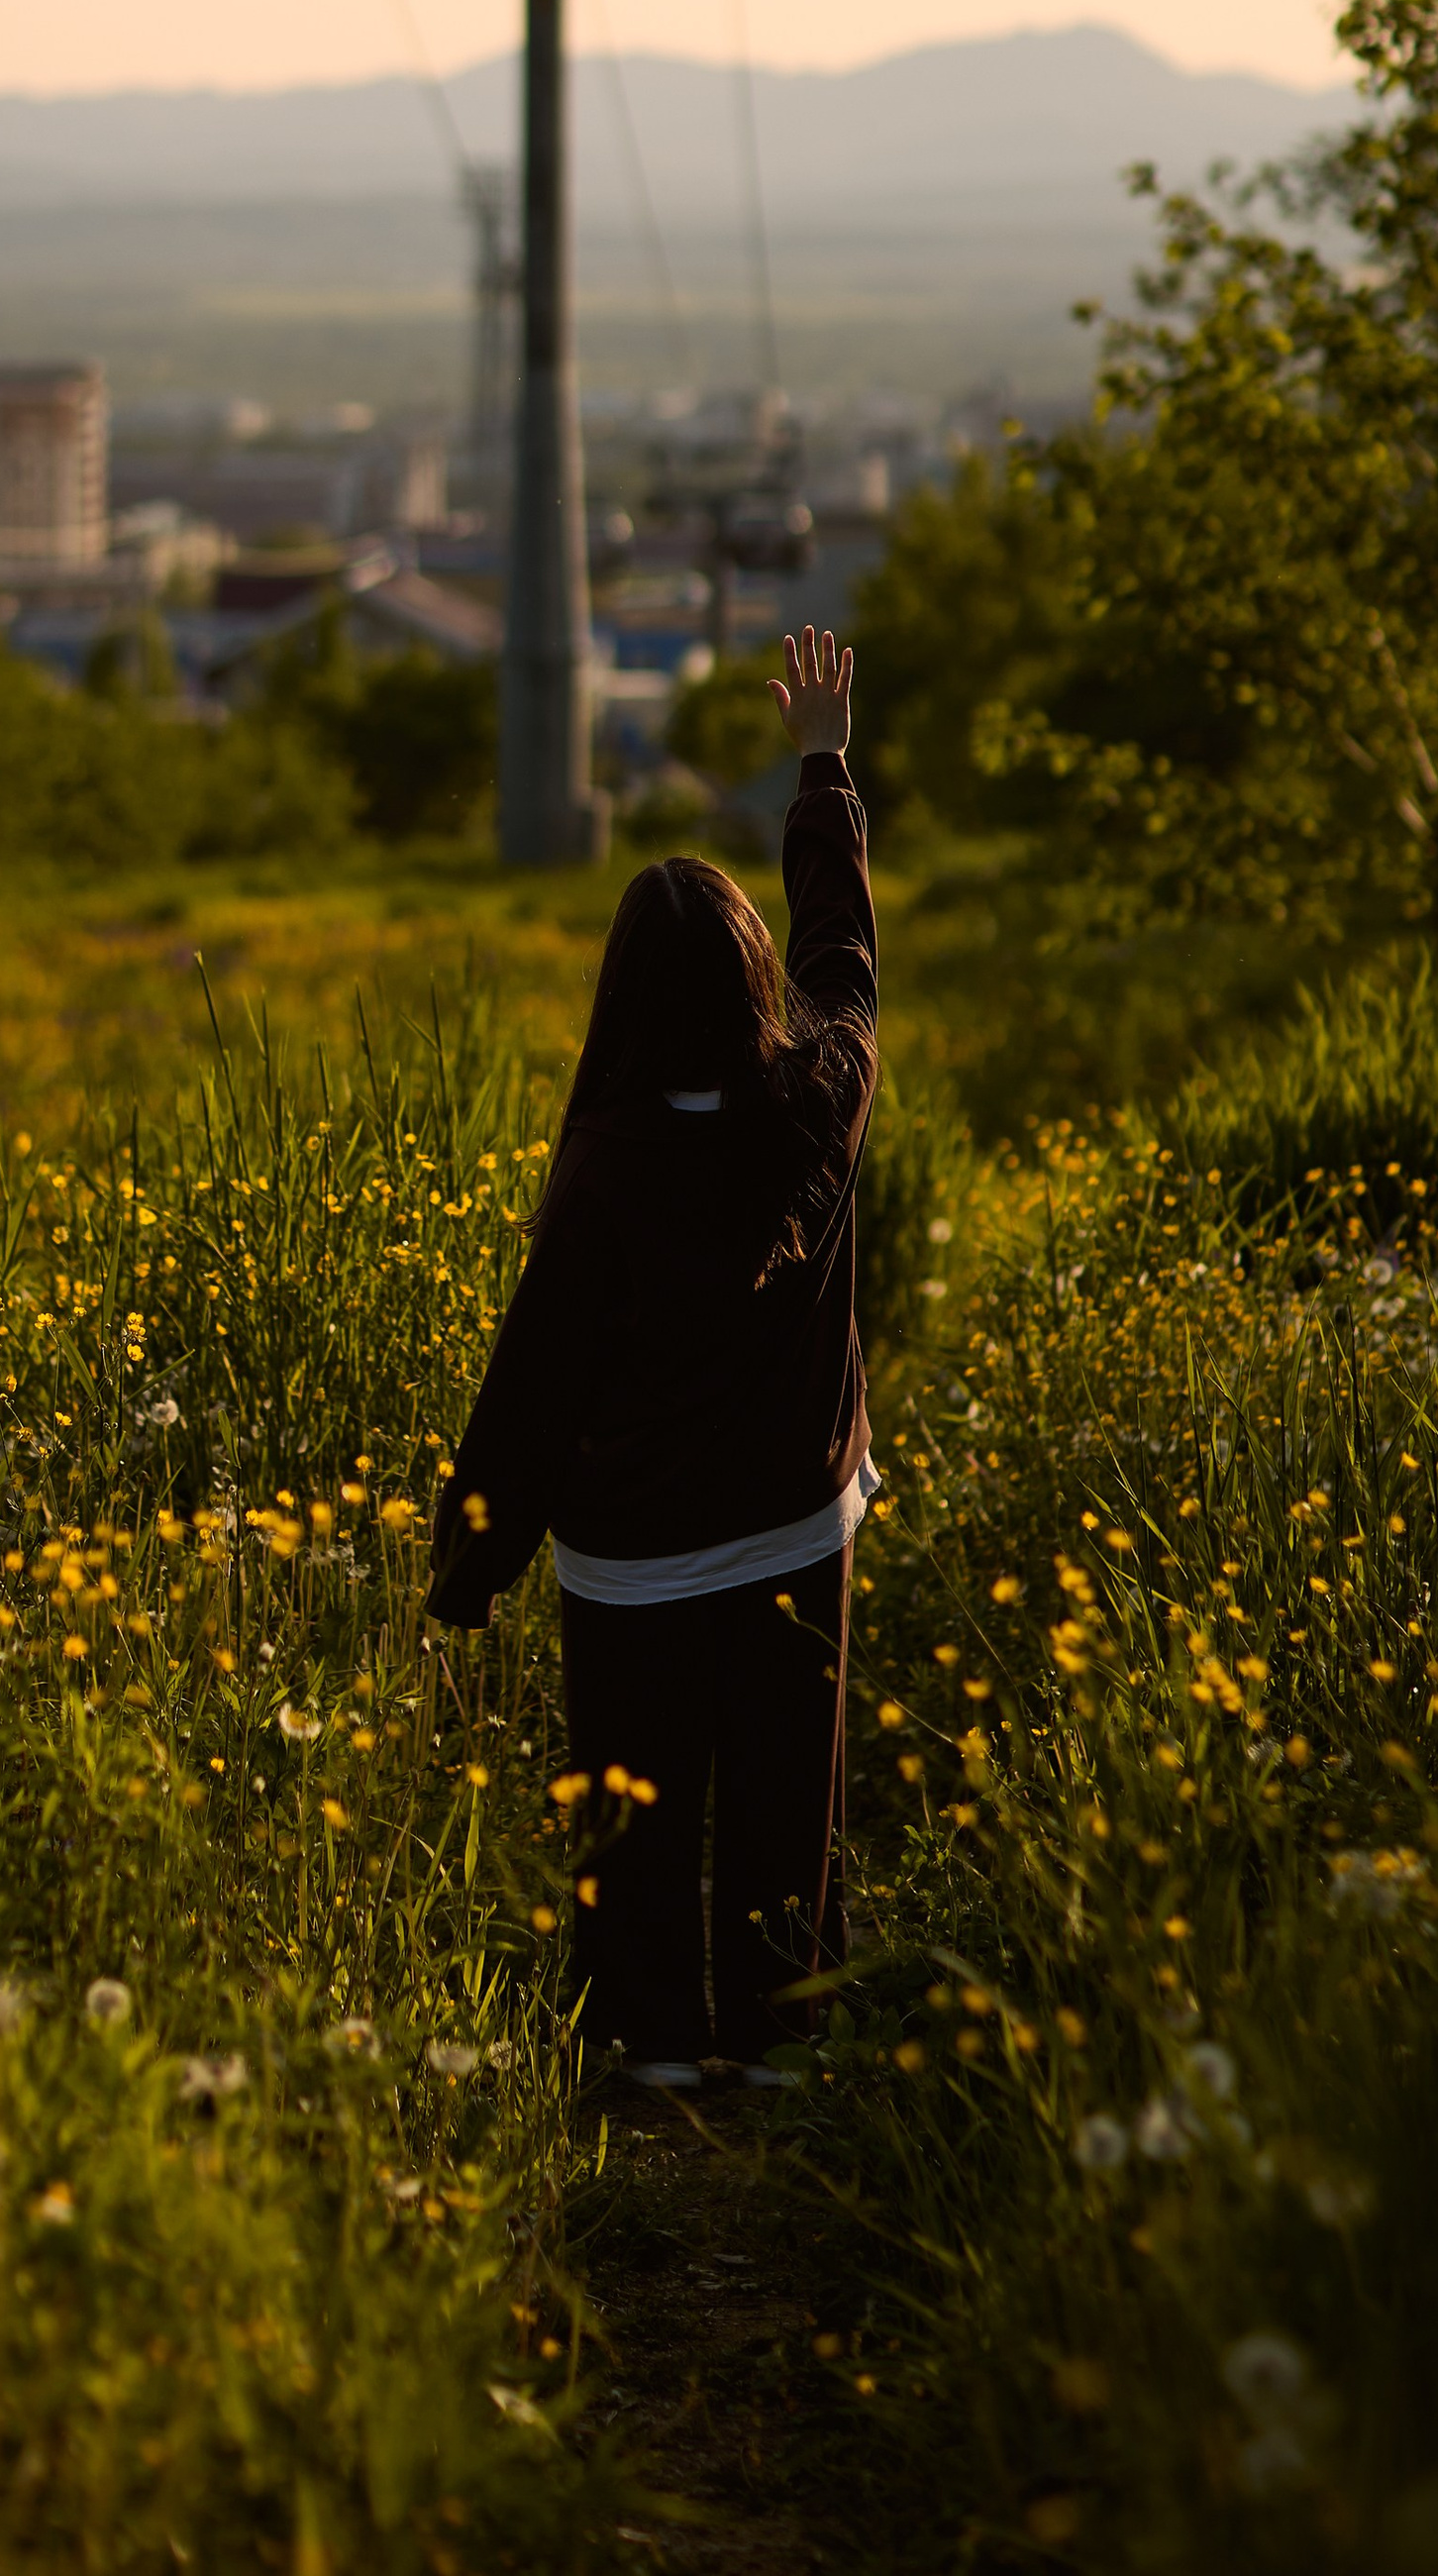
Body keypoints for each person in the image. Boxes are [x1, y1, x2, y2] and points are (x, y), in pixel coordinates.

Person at [427, 626, 878, 2089]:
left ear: (620, 998)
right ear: (753, 986)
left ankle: (651, 2047)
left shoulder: (607, 1170)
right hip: (796, 1526)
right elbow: (846, 964)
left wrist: (472, 1561)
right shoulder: (818, 1104)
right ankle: (780, 2045)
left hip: (630, 1562)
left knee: (632, 1806)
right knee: (784, 1796)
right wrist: (824, 770)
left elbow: (535, 1389)